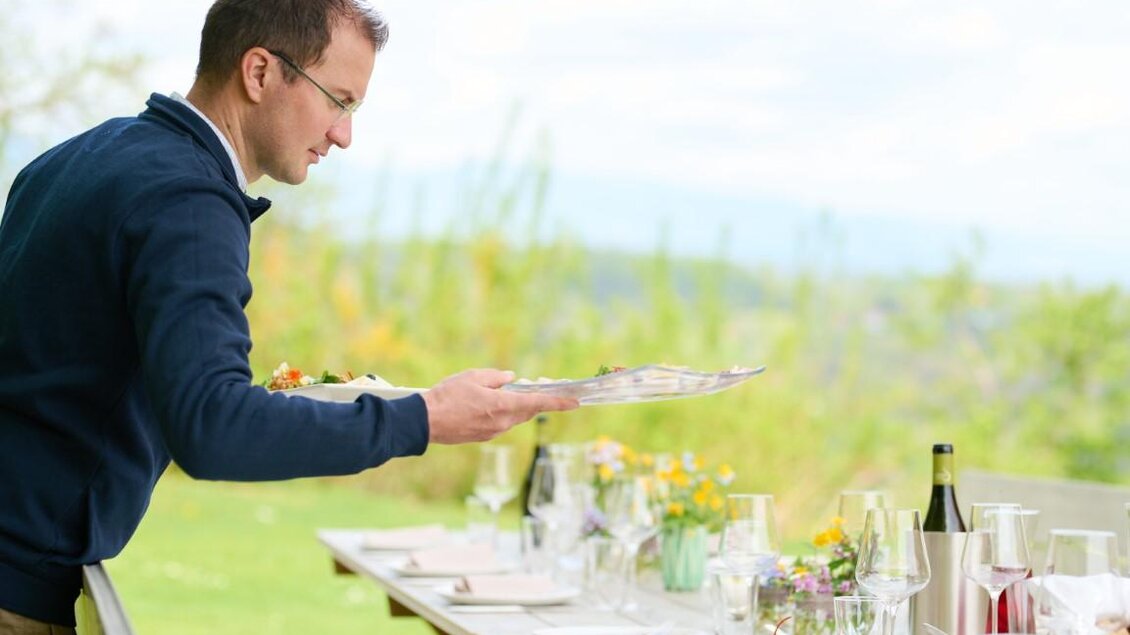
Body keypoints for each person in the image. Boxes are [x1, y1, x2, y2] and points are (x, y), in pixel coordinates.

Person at [0, 0, 578, 631]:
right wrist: (424, 418)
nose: (344, 133)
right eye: (340, 100)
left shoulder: (77, 157)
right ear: (259, 73)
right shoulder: (189, 201)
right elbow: (210, 424)